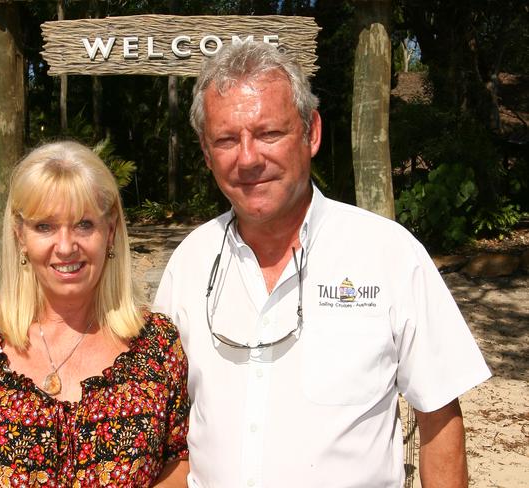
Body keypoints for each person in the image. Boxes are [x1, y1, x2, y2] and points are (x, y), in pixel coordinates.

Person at [153, 41, 491, 487]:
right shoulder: (190, 262)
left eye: (269, 133)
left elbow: (439, 416)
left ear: (311, 132)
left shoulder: (387, 253)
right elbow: (166, 425)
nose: (248, 158)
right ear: (205, 151)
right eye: (227, 140)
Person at [0, 141, 189, 487]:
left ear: (110, 232)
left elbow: (179, 463)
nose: (65, 246)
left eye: (84, 224)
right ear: (20, 235)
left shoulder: (156, 346)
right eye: (45, 226)